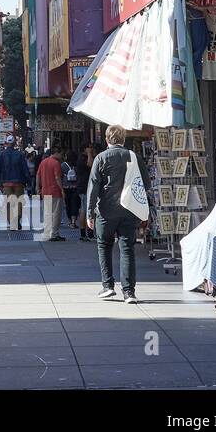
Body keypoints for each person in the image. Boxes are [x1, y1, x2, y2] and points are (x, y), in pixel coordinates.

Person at [86, 124, 149, 304]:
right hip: (129, 210)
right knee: (127, 248)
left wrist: (90, 212)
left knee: (104, 245)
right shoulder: (134, 157)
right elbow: (145, 184)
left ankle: (108, 286)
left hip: (106, 211)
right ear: (123, 139)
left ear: (107, 139)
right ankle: (129, 292)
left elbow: (93, 188)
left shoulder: (101, 158)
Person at [0, 137, 30, 230]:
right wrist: (28, 182)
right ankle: (17, 220)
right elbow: (25, 169)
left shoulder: (2, 155)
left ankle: (12, 222)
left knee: (9, 204)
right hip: (19, 182)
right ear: (15, 143)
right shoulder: (20, 155)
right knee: (19, 202)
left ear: (6, 143)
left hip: (6, 183)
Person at [36, 146, 66, 241]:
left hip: (45, 191)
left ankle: (47, 232)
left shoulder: (43, 162)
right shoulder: (56, 163)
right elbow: (57, 177)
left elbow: (38, 175)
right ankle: (54, 234)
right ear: (57, 153)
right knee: (56, 213)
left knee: (47, 213)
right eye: (61, 154)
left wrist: (37, 187)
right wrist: (62, 190)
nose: (62, 156)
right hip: (55, 191)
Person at [77, 144, 98, 240]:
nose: (92, 150)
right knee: (86, 210)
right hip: (85, 188)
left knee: (86, 209)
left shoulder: (83, 157)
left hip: (85, 187)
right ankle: (87, 232)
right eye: (90, 148)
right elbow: (90, 164)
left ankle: (87, 232)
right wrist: (89, 153)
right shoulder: (82, 158)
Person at [62, 148, 82, 229]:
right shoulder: (77, 164)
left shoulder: (63, 165)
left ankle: (70, 221)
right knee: (75, 204)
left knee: (68, 204)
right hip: (75, 187)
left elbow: (60, 176)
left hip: (66, 187)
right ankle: (74, 221)